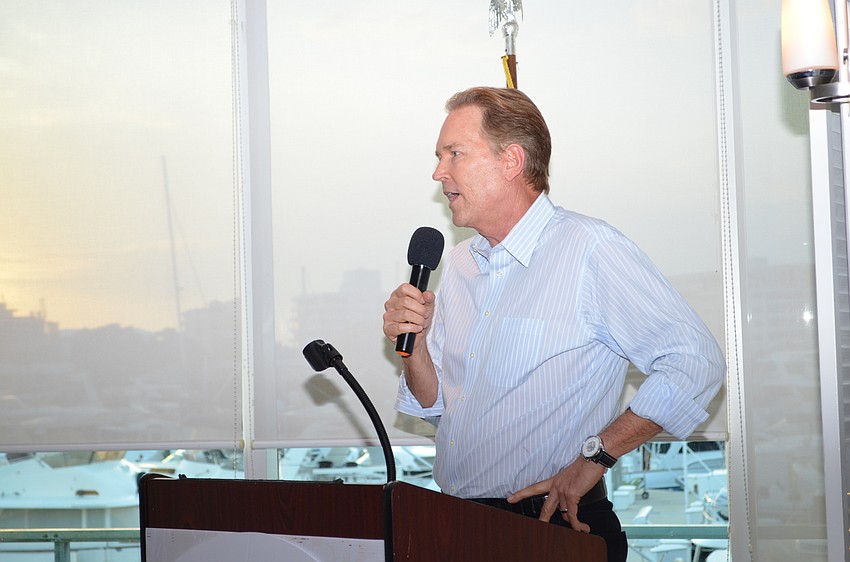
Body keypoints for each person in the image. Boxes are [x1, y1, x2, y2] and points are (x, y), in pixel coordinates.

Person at [382, 86, 725, 562]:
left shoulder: (589, 249)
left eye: (454, 154)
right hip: (458, 524)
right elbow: (441, 407)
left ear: (511, 161)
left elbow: (694, 363)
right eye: (441, 157)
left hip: (551, 528)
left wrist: (596, 457)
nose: (439, 172)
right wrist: (415, 347)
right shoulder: (459, 265)